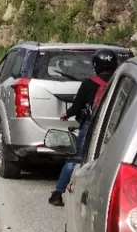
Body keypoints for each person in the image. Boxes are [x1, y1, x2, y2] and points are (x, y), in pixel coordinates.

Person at [48, 49, 120, 207]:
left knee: (75, 159)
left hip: (90, 127)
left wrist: (66, 114)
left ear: (96, 65)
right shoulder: (118, 84)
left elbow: (76, 107)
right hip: (113, 129)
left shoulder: (89, 84)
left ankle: (57, 193)